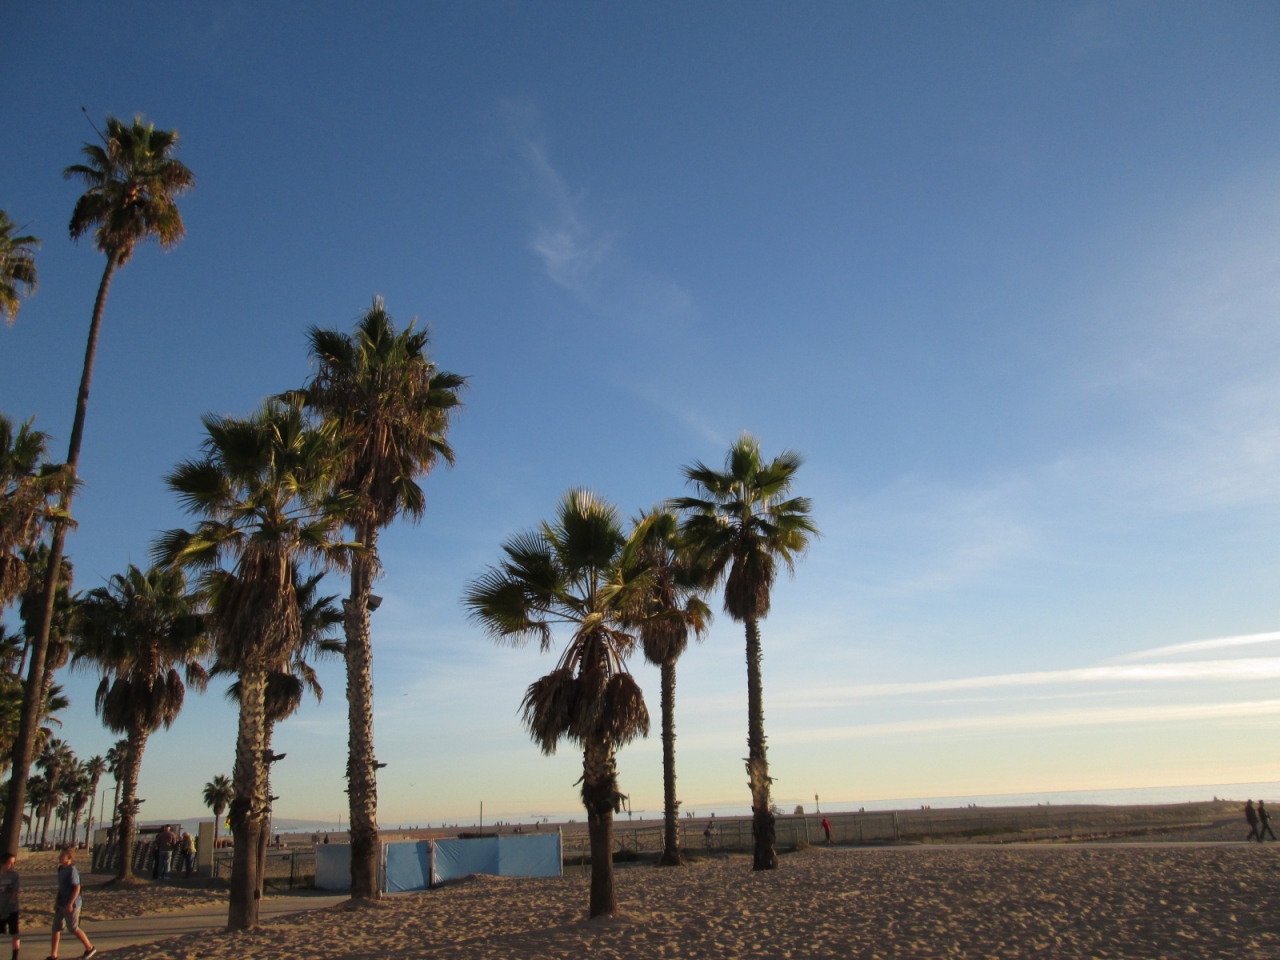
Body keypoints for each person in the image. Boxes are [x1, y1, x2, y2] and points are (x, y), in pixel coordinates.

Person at [50, 847, 95, 960]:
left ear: (69, 858)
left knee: (73, 928)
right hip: (61, 903)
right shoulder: (61, 869)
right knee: (56, 928)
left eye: (62, 855)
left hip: (73, 904)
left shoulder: (72, 870)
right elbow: (61, 888)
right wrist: (57, 901)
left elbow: (77, 888)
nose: (60, 857)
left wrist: (70, 904)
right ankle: (53, 955)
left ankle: (89, 948)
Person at [0, 851, 20, 960]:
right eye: (9, 863)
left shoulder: (14, 876)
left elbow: (14, 893)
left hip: (12, 909)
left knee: (14, 932)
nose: (12, 866)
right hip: (0, 908)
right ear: (3, 863)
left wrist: (8, 910)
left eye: (13, 863)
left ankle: (15, 957)